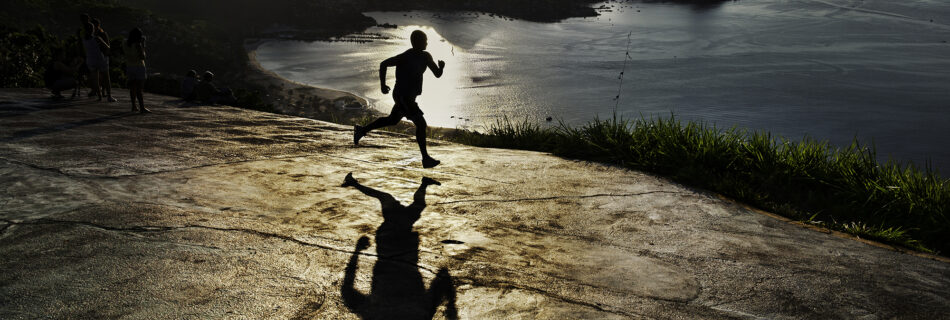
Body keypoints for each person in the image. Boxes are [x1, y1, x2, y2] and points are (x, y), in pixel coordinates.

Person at [353, 30, 445, 168]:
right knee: (421, 124)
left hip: (408, 97)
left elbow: (437, 74)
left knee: (392, 120)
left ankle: (361, 130)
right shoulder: (405, 57)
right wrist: (383, 85)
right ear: (416, 42)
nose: (427, 42)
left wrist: (441, 67)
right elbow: (383, 64)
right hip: (403, 96)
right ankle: (425, 158)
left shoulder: (426, 56)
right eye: (424, 40)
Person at [82, 21, 112, 102]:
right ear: (93, 30)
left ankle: (99, 97)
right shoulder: (97, 38)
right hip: (100, 59)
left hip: (90, 60)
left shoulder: (84, 39)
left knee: (95, 79)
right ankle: (109, 96)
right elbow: (107, 47)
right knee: (106, 78)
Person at [90, 18, 116, 102]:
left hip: (102, 57)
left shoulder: (102, 34)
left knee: (104, 77)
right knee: (99, 77)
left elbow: (108, 46)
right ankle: (100, 93)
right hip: (97, 58)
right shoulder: (91, 35)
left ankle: (106, 94)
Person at [125, 28, 149, 113]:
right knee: (139, 89)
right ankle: (142, 107)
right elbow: (143, 57)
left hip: (129, 66)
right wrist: (143, 44)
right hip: (139, 67)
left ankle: (134, 106)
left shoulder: (125, 43)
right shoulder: (138, 44)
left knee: (132, 89)